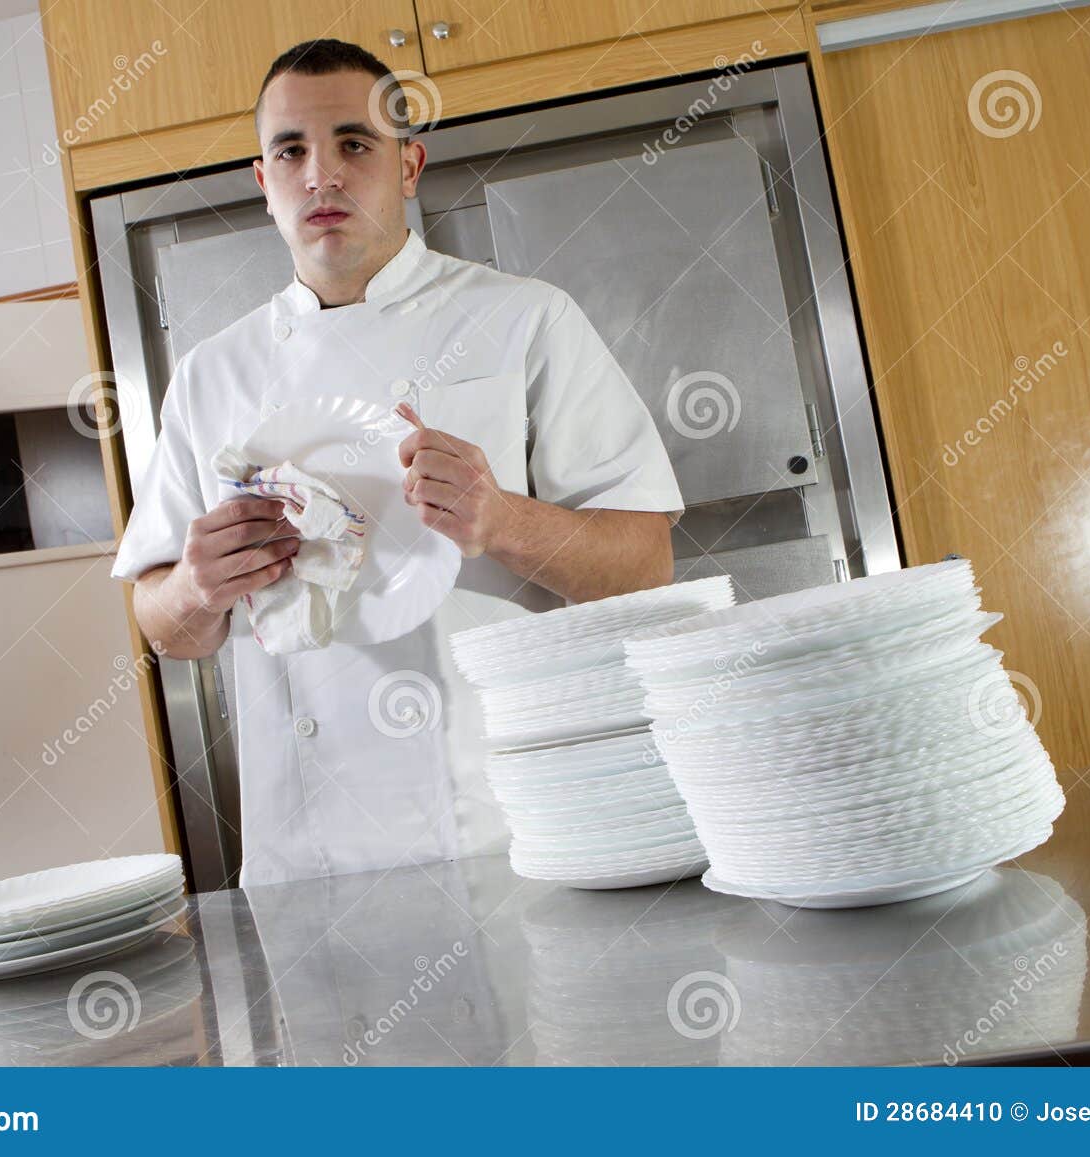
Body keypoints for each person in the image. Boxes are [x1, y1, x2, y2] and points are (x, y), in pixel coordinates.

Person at [111, 38, 684, 886]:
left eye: (354, 144)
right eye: (291, 151)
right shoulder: (210, 376)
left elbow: (647, 569)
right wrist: (197, 587)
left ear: (408, 165)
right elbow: (166, 629)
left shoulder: (524, 320)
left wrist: (506, 520)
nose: (322, 176)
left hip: (513, 831)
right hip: (306, 858)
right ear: (263, 182)